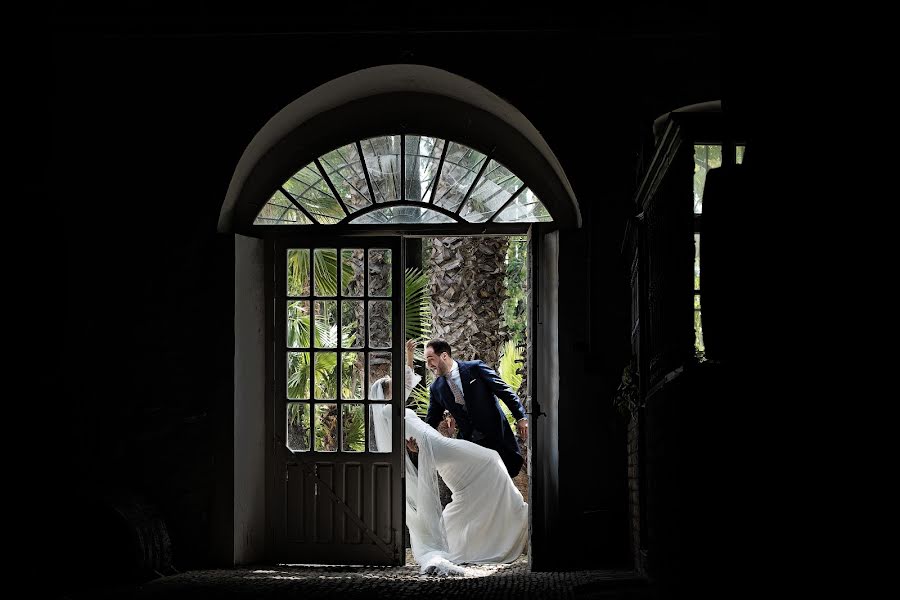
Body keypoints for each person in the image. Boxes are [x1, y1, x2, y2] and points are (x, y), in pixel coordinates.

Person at [423, 339, 528, 479]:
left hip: (497, 437)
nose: (428, 365)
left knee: (504, 480)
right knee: (481, 484)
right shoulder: (436, 388)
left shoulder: (475, 368)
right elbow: (431, 420)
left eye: (431, 359)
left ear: (444, 356)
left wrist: (521, 417)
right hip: (470, 445)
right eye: (426, 360)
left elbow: (505, 392)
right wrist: (419, 440)